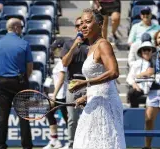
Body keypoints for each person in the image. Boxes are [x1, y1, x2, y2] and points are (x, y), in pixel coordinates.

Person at [69, 8, 126, 149]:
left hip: (106, 104)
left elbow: (114, 72)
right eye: (81, 23)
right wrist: (87, 96)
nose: (83, 26)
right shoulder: (90, 48)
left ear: (100, 24)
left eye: (88, 22)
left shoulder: (103, 45)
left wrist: (86, 83)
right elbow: (99, 79)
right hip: (95, 100)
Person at [0, 18, 33, 149]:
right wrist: (23, 79)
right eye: (20, 27)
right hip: (19, 82)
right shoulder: (24, 44)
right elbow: (29, 67)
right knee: (24, 117)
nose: (21, 29)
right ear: (15, 27)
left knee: (2, 116)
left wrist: (3, 77)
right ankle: (26, 146)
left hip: (2, 82)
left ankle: (0, 145)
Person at [60, 17, 89, 149]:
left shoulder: (92, 44)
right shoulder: (68, 44)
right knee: (72, 118)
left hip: (89, 84)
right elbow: (65, 63)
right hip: (72, 85)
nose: (81, 28)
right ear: (75, 28)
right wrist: (74, 46)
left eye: (83, 25)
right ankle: (71, 145)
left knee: (90, 118)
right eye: (78, 25)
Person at [137, 30, 160, 149]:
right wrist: (142, 74)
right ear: (156, 41)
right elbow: (151, 70)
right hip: (154, 90)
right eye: (159, 38)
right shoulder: (154, 55)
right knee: (148, 119)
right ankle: (147, 147)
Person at [43, 48, 68, 149]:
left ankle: (73, 142)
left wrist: (53, 95)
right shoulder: (59, 62)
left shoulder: (63, 62)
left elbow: (61, 80)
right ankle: (54, 141)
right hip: (57, 95)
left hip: (63, 95)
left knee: (68, 119)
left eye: (56, 48)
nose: (54, 50)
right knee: (49, 114)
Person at [126, 41, 156, 108]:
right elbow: (130, 77)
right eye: (144, 50)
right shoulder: (136, 63)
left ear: (152, 51)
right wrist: (134, 84)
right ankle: (134, 113)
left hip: (153, 88)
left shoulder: (156, 64)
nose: (146, 52)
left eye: (148, 50)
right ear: (141, 52)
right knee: (132, 93)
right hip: (140, 88)